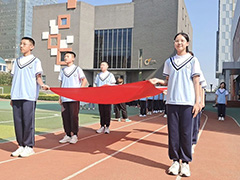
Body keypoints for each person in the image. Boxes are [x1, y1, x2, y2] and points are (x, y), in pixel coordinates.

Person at [149, 32, 201, 177]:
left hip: (187, 102)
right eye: (177, 41)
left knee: (185, 133)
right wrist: (158, 81)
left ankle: (185, 163)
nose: (179, 43)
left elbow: (196, 81)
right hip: (172, 102)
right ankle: (175, 161)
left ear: (187, 43)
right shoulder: (169, 62)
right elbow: (167, 81)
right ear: (174, 44)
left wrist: (197, 102)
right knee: (173, 134)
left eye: (182, 40)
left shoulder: (192, 60)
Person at [10, 37, 49, 157]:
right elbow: (14, 79)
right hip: (16, 95)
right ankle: (21, 145)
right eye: (20, 44)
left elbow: (38, 77)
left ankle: (29, 146)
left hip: (29, 96)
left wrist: (42, 85)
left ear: (31, 47)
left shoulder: (36, 61)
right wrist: (12, 96)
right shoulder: (16, 61)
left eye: (24, 44)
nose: (21, 46)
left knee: (28, 122)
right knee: (18, 122)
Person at [58, 51, 87, 144]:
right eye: (65, 56)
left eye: (68, 56)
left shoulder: (77, 69)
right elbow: (61, 83)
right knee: (65, 116)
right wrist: (60, 96)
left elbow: (84, 80)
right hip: (65, 97)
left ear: (73, 58)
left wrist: (79, 91)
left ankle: (74, 135)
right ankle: (67, 134)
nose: (65, 58)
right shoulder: (62, 70)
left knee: (73, 116)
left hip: (74, 97)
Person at [95, 61, 116, 134]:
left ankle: (107, 126)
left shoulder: (110, 75)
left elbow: (113, 85)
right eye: (101, 65)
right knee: (101, 111)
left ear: (107, 66)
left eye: (103, 65)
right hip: (100, 96)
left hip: (108, 96)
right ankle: (102, 126)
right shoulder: (98, 75)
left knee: (107, 111)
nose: (102, 66)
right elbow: (96, 85)